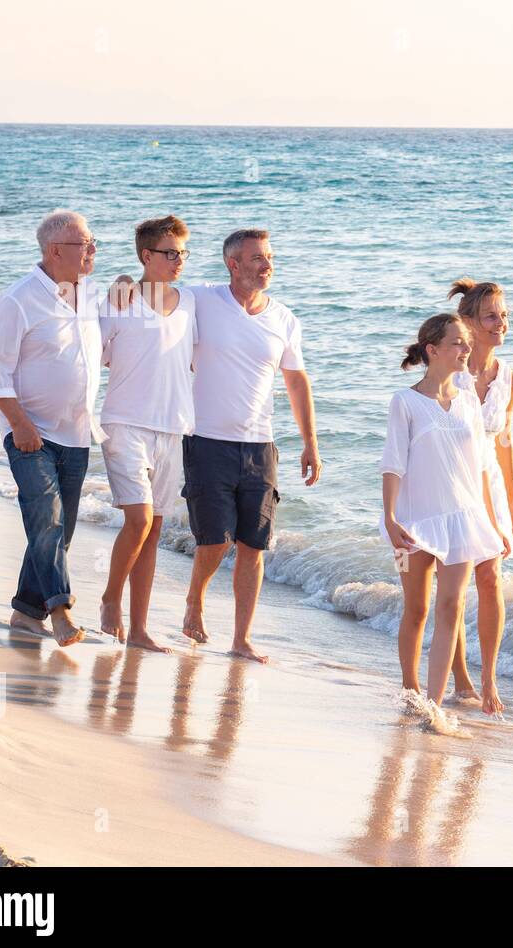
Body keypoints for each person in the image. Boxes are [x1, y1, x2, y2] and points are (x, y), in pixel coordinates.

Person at [115, 228, 321, 663]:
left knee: (254, 544)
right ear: (233, 264)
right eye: (258, 258)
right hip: (205, 439)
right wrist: (123, 282)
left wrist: (310, 443)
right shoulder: (202, 299)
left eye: (270, 257)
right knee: (214, 541)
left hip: (260, 445)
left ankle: (241, 638)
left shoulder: (284, 318)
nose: (268, 265)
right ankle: (195, 599)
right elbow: (156, 288)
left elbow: (296, 381)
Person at [0, 209, 104, 648]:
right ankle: (60, 610)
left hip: (78, 433)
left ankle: (25, 612)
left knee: (60, 529)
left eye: (93, 242)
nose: (92, 250)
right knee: (46, 520)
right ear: (55, 251)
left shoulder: (89, 295)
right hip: (32, 434)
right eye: (84, 243)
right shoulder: (18, 299)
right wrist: (20, 424)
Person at [381, 313, 512, 714]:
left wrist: (492, 522)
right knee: (417, 609)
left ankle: (434, 706)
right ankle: (410, 690)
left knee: (451, 606)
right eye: (457, 342)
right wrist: (390, 519)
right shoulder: (405, 402)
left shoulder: (469, 399)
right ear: (433, 350)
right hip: (413, 520)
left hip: (462, 518)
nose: (466, 349)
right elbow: (392, 465)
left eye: (466, 342)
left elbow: (483, 467)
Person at [96, 215, 197, 653]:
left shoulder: (192, 301)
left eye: (183, 253)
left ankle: (139, 629)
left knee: (153, 529)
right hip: (125, 424)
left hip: (173, 427)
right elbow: (91, 356)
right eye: (170, 253)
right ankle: (109, 600)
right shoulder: (118, 301)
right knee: (137, 520)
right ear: (146, 255)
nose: (178, 261)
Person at [444, 279, 513, 704]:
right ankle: (459, 677)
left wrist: (512, 498)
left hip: (488, 483)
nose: (501, 324)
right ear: (470, 322)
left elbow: (504, 441)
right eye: (492, 316)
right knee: (454, 584)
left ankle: (489, 679)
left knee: (490, 578)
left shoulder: (508, 378)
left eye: (505, 315)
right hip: (452, 481)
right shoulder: (450, 371)